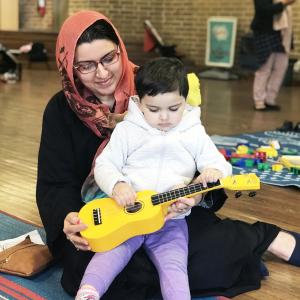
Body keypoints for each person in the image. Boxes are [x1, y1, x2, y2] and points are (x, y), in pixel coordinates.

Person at [36, 10, 300, 300]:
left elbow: (202, 160)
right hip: (106, 219)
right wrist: (69, 218)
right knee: (90, 271)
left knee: (189, 257)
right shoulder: (61, 110)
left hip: (170, 214)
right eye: (85, 66)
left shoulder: (158, 86)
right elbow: (55, 183)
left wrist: (197, 194)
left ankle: (265, 236)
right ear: (70, 67)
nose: (101, 73)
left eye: (108, 58)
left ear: (120, 51)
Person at [75, 57, 232, 300]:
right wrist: (117, 184)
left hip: (171, 219)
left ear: (185, 102)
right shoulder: (128, 130)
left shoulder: (193, 132)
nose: (164, 118)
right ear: (138, 102)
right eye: (154, 109)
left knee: (175, 265)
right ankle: (89, 292)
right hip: (125, 214)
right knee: (110, 253)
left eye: (174, 108)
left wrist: (214, 172)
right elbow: (105, 164)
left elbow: (219, 163)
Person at [251, 0, 296, 111]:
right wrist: (284, 3)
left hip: (281, 35)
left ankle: (270, 100)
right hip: (265, 33)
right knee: (264, 68)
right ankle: (259, 101)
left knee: (281, 67)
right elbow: (264, 9)